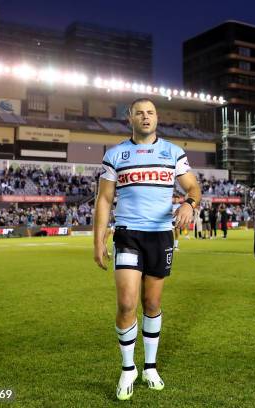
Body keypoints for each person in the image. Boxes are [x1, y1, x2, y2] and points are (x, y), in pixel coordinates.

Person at [93, 98, 201, 400]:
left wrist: (189, 206)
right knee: (127, 304)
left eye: (150, 112)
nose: (145, 117)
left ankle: (150, 366)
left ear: (157, 118)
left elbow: (193, 188)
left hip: (161, 236)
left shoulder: (172, 152)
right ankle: (128, 369)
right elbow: (104, 199)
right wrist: (98, 239)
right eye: (140, 112)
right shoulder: (115, 154)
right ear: (130, 117)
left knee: (152, 304)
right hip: (128, 234)